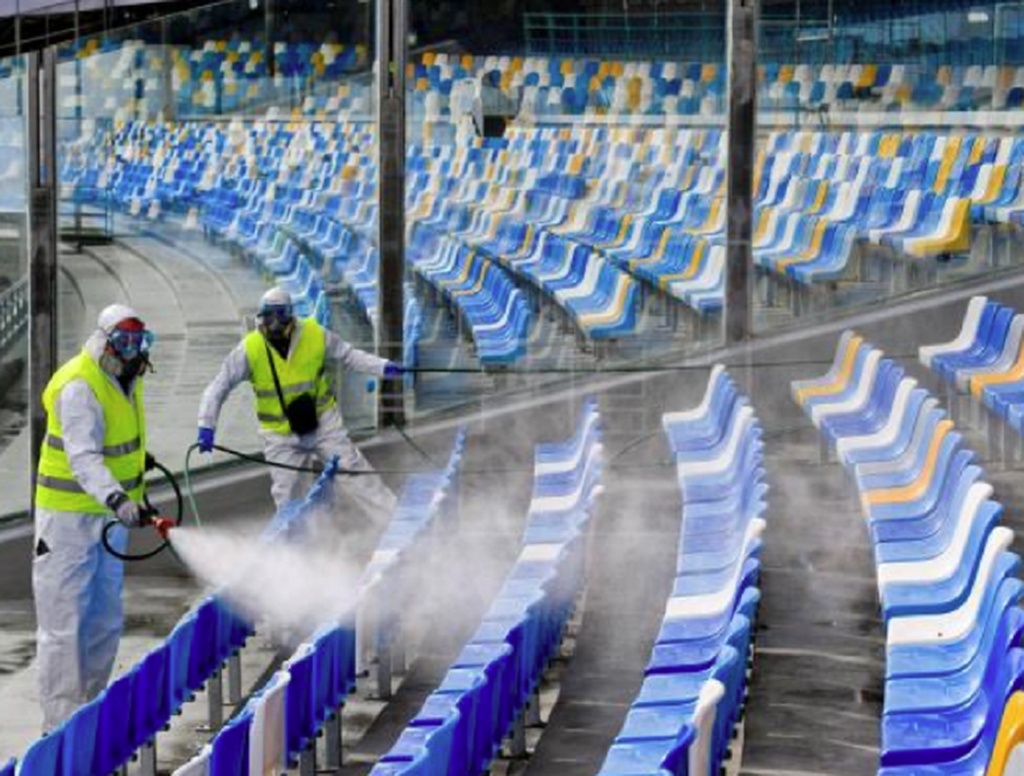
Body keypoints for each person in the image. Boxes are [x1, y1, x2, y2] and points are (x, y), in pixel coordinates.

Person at [33, 303, 155, 731]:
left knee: (104, 621)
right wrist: (119, 497)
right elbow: (83, 458)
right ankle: (61, 730)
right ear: (105, 342)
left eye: (138, 343)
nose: (133, 352)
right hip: (67, 523)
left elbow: (118, 442)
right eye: (124, 343)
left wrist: (132, 484)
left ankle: (92, 714)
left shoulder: (125, 378)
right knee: (64, 627)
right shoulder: (80, 386)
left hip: (107, 519)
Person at [196, 287, 402, 517]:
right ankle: (298, 544)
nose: (274, 325)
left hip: (323, 423)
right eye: (269, 317)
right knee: (289, 496)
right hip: (279, 435)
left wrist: (382, 367)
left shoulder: (314, 334)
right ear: (261, 317)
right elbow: (218, 387)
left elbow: (349, 355)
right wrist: (206, 425)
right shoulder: (249, 349)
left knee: (353, 470)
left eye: (280, 316)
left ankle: (393, 517)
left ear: (291, 317)